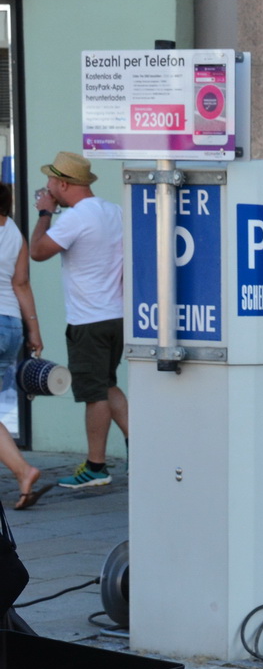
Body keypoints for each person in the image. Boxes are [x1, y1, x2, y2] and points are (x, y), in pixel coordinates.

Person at [29, 151, 127, 490]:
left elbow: (38, 251)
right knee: (107, 383)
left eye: (50, 183)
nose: (46, 188)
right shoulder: (113, 211)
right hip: (115, 316)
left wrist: (45, 213)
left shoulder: (76, 218)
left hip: (88, 319)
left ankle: (97, 466)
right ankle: (143, 448)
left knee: (93, 392)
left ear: (63, 184)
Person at [0, 186, 46, 509]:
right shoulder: (15, 233)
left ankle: (23, 469)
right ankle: (23, 470)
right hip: (11, 325)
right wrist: (35, 332)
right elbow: (21, 284)